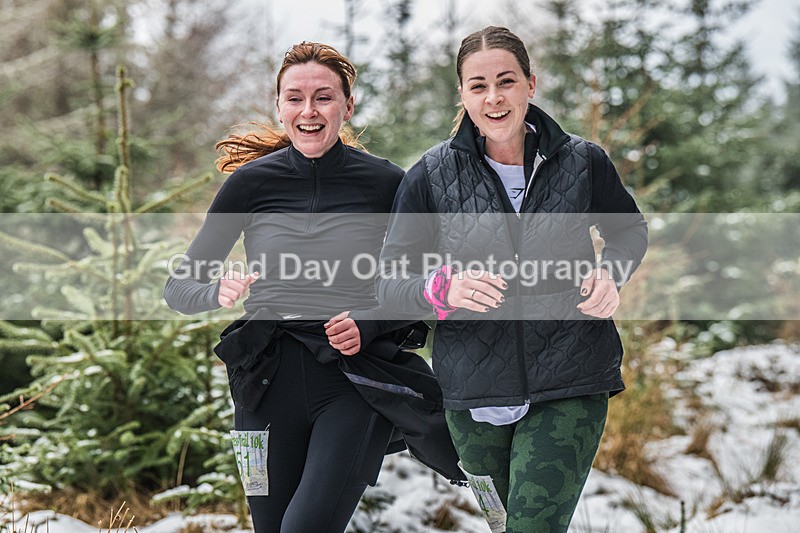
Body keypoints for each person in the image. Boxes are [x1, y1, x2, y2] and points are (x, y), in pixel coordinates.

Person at [164, 41, 463, 533]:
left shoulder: (388, 183)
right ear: (279, 105)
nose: (309, 110)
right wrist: (213, 292)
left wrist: (370, 325)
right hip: (264, 381)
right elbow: (178, 288)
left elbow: (427, 286)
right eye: (294, 97)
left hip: (351, 378)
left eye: (324, 97)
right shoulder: (249, 185)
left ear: (348, 105)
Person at [375, 27, 648, 533]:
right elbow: (389, 279)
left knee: (532, 528)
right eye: (478, 85)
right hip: (471, 390)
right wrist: (441, 288)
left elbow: (628, 230)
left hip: (570, 371)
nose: (493, 97)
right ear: (462, 94)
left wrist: (612, 271)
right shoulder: (431, 176)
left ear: (530, 84)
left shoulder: (583, 162)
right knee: (505, 526)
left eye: (506, 81)